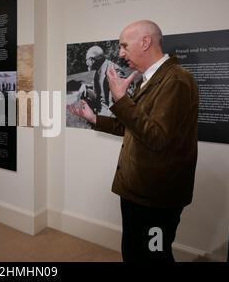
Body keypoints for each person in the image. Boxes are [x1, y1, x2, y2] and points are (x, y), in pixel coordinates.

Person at [69, 20, 198, 262]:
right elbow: (130, 126)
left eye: (124, 46)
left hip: (156, 197)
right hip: (138, 191)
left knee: (153, 255)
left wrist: (120, 99)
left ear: (146, 42)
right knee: (134, 252)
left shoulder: (177, 81)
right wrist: (93, 118)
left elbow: (157, 137)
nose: (120, 53)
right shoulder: (148, 79)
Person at [77, 46, 125, 116]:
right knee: (84, 94)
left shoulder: (114, 71)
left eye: (87, 60)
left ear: (93, 60)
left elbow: (120, 100)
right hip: (102, 109)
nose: (86, 63)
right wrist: (86, 88)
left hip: (110, 112)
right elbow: (98, 89)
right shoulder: (98, 70)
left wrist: (106, 116)